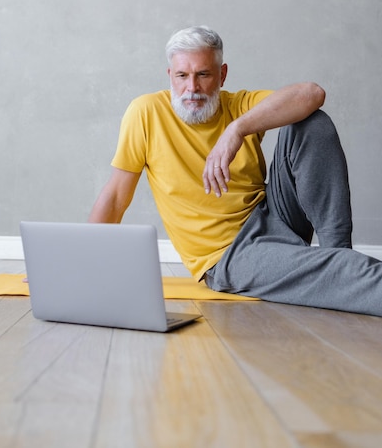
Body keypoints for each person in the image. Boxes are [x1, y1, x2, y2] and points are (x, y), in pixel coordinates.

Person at [89, 25, 382, 316]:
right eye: (182, 76)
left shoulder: (239, 105)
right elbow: (115, 197)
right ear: (170, 76)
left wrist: (237, 129)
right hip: (231, 253)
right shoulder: (146, 112)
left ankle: (338, 250)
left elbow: (312, 94)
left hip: (276, 215)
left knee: (311, 122)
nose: (192, 88)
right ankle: (341, 267)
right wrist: (84, 265)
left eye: (203, 74)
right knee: (342, 272)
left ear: (222, 75)